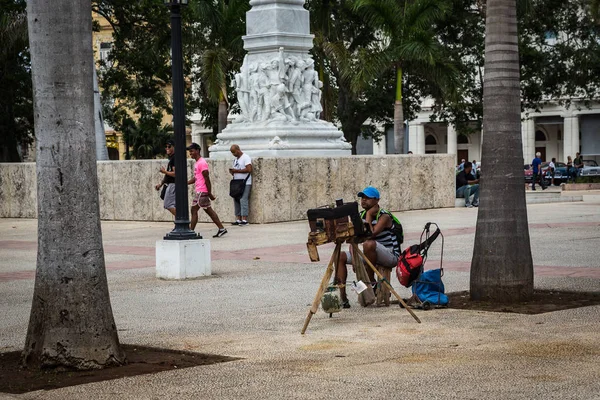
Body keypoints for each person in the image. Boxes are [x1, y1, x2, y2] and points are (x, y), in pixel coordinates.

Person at [335, 186, 400, 308]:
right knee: (340, 256)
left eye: (368, 198)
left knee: (368, 244)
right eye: (362, 198)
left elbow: (372, 233)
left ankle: (371, 283)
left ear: (377, 200)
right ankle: (343, 297)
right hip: (370, 252)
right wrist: (354, 257)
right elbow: (353, 238)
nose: (364, 200)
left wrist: (369, 215)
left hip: (390, 255)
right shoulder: (360, 215)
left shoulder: (384, 216)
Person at [186, 143, 227, 238]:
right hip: (201, 191)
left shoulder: (202, 163)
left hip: (202, 191)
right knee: (209, 210)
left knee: (194, 210)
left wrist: (209, 193)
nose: (190, 153)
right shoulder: (197, 163)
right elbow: (196, 178)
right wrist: (186, 183)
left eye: (191, 151)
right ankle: (221, 228)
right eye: (189, 151)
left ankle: (191, 232)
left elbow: (207, 179)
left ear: (197, 150)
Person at [229, 144, 253, 226]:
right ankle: (238, 219)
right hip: (237, 182)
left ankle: (244, 219)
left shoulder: (245, 157)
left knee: (243, 199)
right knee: (236, 199)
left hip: (245, 182)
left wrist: (237, 171)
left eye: (234, 152)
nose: (233, 154)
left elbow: (249, 169)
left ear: (238, 150)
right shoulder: (236, 159)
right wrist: (233, 172)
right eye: (232, 153)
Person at [155, 139, 176, 216]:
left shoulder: (174, 158)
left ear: (174, 147)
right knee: (173, 205)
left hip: (173, 184)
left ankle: (182, 222)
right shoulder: (171, 159)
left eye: (169, 146)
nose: (167, 148)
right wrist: (160, 184)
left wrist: (164, 172)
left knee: (168, 205)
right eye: (166, 147)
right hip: (169, 184)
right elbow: (167, 175)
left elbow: (175, 174)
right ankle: (179, 224)